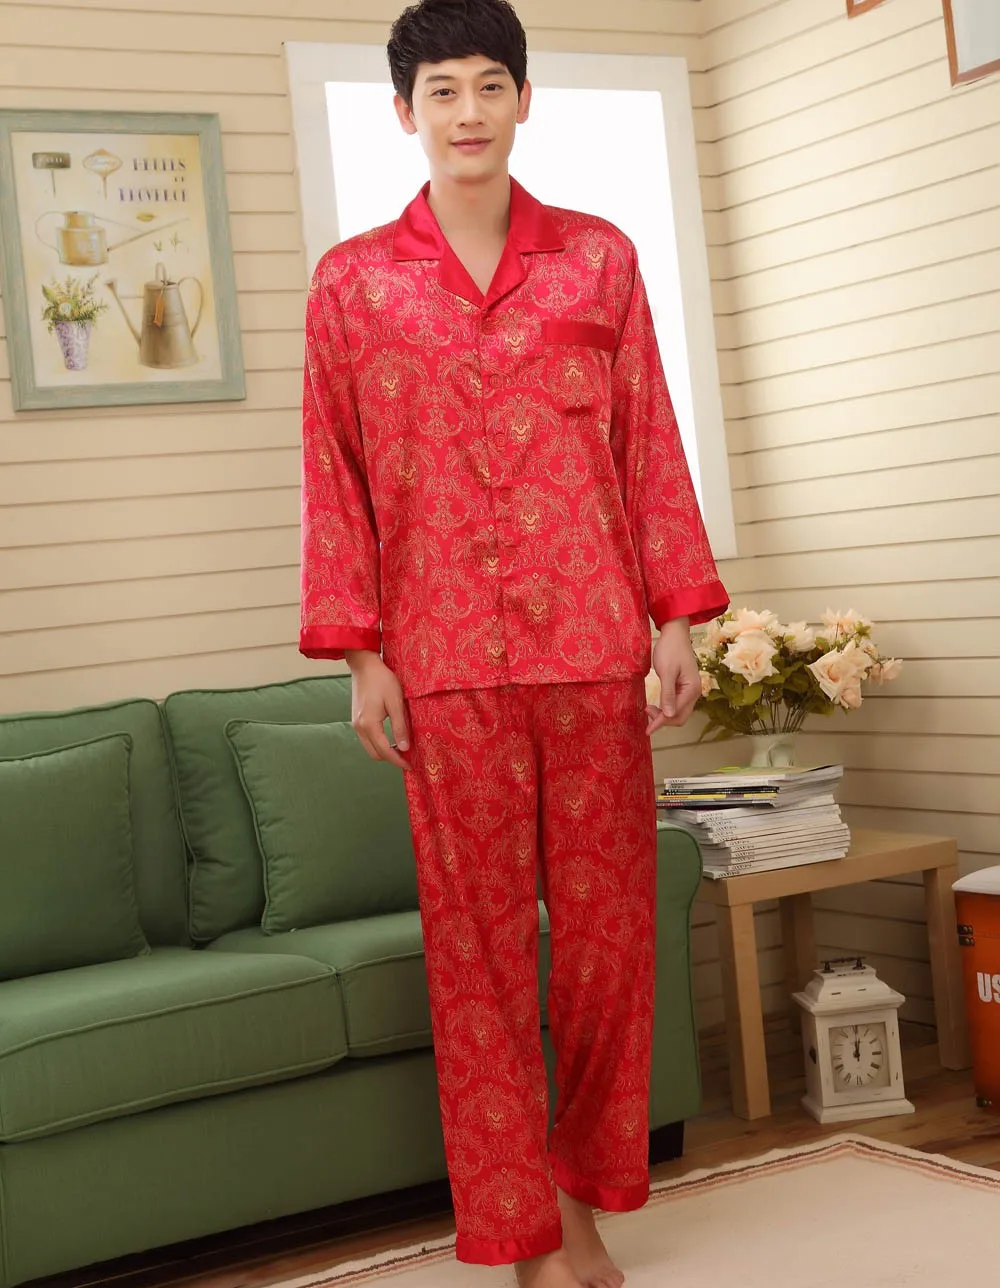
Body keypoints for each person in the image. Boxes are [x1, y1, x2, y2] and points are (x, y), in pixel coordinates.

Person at [299, 2, 728, 1284]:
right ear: (404, 113)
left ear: (525, 99)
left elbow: (646, 439)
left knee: (604, 951)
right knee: (476, 958)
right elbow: (335, 477)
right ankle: (525, 1228)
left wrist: (674, 620)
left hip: (593, 648)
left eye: (491, 84)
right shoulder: (353, 283)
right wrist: (362, 655)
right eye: (443, 89)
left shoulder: (598, 260)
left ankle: (578, 1190)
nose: (469, 110)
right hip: (443, 668)